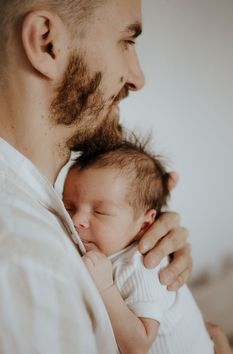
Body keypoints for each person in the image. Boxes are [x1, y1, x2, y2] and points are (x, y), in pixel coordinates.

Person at [0, 1, 193, 353]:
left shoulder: (41, 209)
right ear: (47, 43)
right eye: (127, 41)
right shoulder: (26, 264)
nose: (138, 77)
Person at [62, 136, 215, 354]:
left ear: (144, 224)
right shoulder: (103, 246)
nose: (77, 220)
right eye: (69, 206)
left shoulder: (143, 264)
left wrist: (105, 287)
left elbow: (138, 345)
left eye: (100, 211)